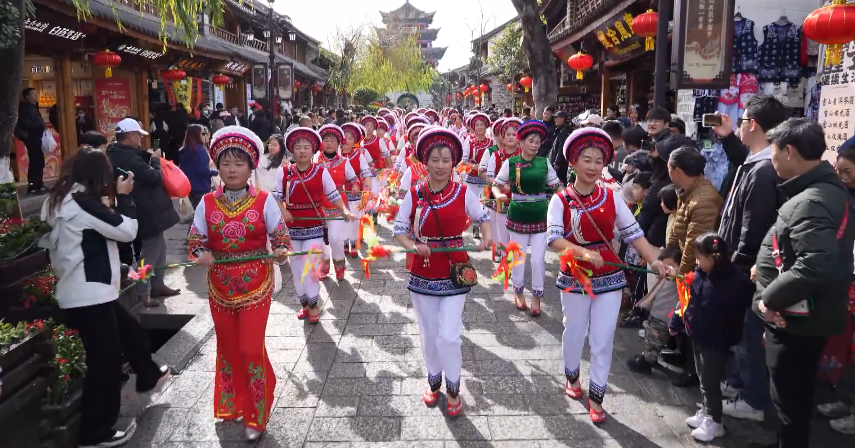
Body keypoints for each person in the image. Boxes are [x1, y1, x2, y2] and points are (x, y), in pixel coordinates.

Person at [40, 147, 171, 448]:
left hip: (86, 291)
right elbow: (126, 230)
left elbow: (83, 242)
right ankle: (94, 432)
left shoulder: (59, 199)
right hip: (89, 295)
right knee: (105, 365)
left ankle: (148, 373)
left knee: (131, 333)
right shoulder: (83, 204)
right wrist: (124, 198)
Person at [547, 127, 667, 423]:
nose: (592, 166)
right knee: (574, 331)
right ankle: (572, 375)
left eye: (598, 161)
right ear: (573, 162)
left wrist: (654, 260)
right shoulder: (561, 200)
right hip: (576, 276)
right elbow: (554, 239)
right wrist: (584, 253)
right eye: (586, 160)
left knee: (603, 338)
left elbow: (633, 233)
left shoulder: (611, 197)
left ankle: (597, 396)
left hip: (610, 276)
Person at [749, 118, 855, 448]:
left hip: (797, 320)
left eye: (774, 152)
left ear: (789, 151)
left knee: (789, 401)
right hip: (805, 315)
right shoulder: (823, 191)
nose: (772, 160)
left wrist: (769, 299)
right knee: (792, 398)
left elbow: (814, 264)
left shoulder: (813, 200)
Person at [187, 126, 290, 442]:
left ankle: (257, 413)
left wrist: (281, 251)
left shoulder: (264, 201)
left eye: (239, 163)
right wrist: (201, 253)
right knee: (229, 346)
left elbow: (280, 236)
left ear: (250, 166)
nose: (232, 169)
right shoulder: (206, 202)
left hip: (257, 284)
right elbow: (195, 240)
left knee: (249, 347)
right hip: (219, 286)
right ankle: (234, 403)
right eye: (226, 163)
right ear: (217, 166)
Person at [393, 127, 492, 418]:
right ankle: (433, 380)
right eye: (434, 159)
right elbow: (399, 229)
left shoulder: (462, 192)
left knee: (449, 335)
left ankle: (453, 388)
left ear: (453, 163)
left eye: (446, 160)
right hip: (423, 272)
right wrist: (413, 245)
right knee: (429, 332)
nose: (440, 165)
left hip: (453, 270)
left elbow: (483, 216)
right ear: (425, 161)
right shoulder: (415, 193)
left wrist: (486, 237)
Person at [710, 95, 789, 422]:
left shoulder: (764, 170)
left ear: (753, 124)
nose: (740, 126)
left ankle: (754, 400)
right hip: (742, 265)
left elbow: (753, 227)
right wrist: (728, 135)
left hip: (747, 269)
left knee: (748, 335)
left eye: (742, 121)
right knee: (742, 333)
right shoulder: (757, 160)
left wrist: (735, 265)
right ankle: (741, 383)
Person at [670, 233, 754, 442]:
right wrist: (677, 321)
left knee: (710, 380)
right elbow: (687, 301)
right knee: (702, 377)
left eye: (700, 258)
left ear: (714, 257)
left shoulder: (736, 282)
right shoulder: (699, 275)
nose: (697, 263)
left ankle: (714, 421)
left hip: (717, 341)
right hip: (697, 335)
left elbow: (745, 301)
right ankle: (707, 410)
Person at [275, 128, 354, 322]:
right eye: (298, 147)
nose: (302, 151)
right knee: (296, 269)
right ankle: (303, 303)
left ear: (313, 150)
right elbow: (275, 197)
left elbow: (333, 195)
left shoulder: (321, 171)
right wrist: (283, 211)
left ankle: (313, 305)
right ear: (292, 150)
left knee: (310, 267)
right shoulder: (284, 172)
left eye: (306, 147)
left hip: (315, 228)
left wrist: (344, 210)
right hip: (292, 228)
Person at [106, 118, 181, 307]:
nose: (140, 139)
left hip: (147, 207)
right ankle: (143, 291)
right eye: (138, 135)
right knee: (148, 253)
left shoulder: (119, 154)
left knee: (159, 247)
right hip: (146, 209)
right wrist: (155, 160)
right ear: (131, 136)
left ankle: (158, 284)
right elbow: (154, 177)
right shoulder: (128, 157)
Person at [492, 120, 562, 316]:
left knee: (538, 260)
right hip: (518, 215)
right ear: (521, 142)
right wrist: (498, 195)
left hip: (540, 215)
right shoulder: (511, 163)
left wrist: (568, 197)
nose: (534, 145)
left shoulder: (544, 163)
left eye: (537, 142)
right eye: (530, 141)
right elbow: (496, 184)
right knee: (519, 257)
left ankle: (537, 296)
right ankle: (518, 292)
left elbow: (557, 186)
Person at [627, 246, 681, 373]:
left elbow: (677, 273)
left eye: (670, 266)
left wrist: (673, 272)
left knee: (655, 340)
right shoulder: (664, 277)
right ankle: (650, 357)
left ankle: (646, 362)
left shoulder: (677, 278)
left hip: (664, 317)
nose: (667, 268)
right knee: (650, 337)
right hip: (656, 313)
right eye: (664, 265)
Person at [315, 124, 358, 280]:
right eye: (326, 140)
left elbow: (354, 179)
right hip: (319, 206)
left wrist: (355, 186)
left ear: (339, 143)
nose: (329, 143)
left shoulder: (344, 162)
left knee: (335, 238)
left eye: (332, 140)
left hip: (338, 206)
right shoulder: (315, 160)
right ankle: (324, 266)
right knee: (321, 240)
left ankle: (339, 265)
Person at [484, 118, 521, 260]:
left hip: (518, 199)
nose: (511, 137)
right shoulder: (496, 155)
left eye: (514, 134)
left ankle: (512, 255)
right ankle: (502, 255)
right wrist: (499, 185)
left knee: (516, 231)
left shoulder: (523, 156)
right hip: (499, 198)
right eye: (508, 134)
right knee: (500, 229)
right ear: (503, 138)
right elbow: (489, 176)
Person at [340, 123, 373, 257]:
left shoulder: (358, 155)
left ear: (355, 141)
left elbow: (367, 174)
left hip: (355, 192)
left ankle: (354, 244)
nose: (347, 140)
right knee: (341, 219)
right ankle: (344, 242)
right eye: (345, 137)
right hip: (338, 194)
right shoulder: (335, 155)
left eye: (350, 138)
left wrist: (366, 191)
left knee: (354, 219)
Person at [15, 87, 47, 193]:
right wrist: (39, 126)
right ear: (27, 96)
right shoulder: (25, 108)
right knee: (35, 161)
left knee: (39, 161)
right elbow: (25, 123)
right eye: (33, 94)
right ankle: (34, 185)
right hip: (32, 138)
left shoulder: (33, 107)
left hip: (37, 137)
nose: (36, 95)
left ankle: (39, 183)